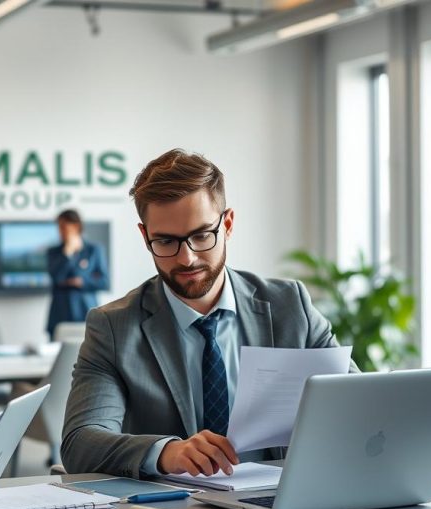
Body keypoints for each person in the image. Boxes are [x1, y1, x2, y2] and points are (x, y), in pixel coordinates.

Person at [61, 149, 358, 480]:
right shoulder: (114, 327)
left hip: (284, 502)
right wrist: (166, 453)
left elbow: (358, 404)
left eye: (201, 235)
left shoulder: (290, 307)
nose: (186, 258)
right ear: (145, 236)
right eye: (166, 241)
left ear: (227, 224)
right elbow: (80, 443)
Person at [45, 209, 110, 339]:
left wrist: (81, 281)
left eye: (63, 227)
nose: (60, 231)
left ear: (76, 226)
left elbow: (104, 282)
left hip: (86, 314)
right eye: (58, 227)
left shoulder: (94, 250)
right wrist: (67, 253)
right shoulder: (54, 252)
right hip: (59, 316)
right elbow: (56, 278)